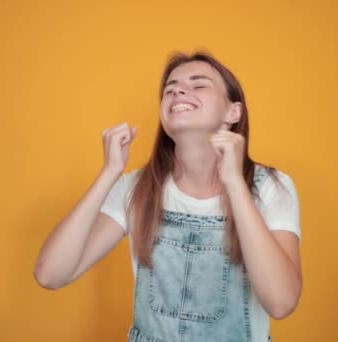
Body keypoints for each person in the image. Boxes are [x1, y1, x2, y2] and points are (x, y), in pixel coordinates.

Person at [34, 52, 302, 342]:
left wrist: (234, 182)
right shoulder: (136, 188)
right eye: (170, 88)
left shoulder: (271, 187)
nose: (178, 90)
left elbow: (282, 302)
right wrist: (109, 173)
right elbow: (50, 274)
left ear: (233, 113)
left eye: (198, 84)